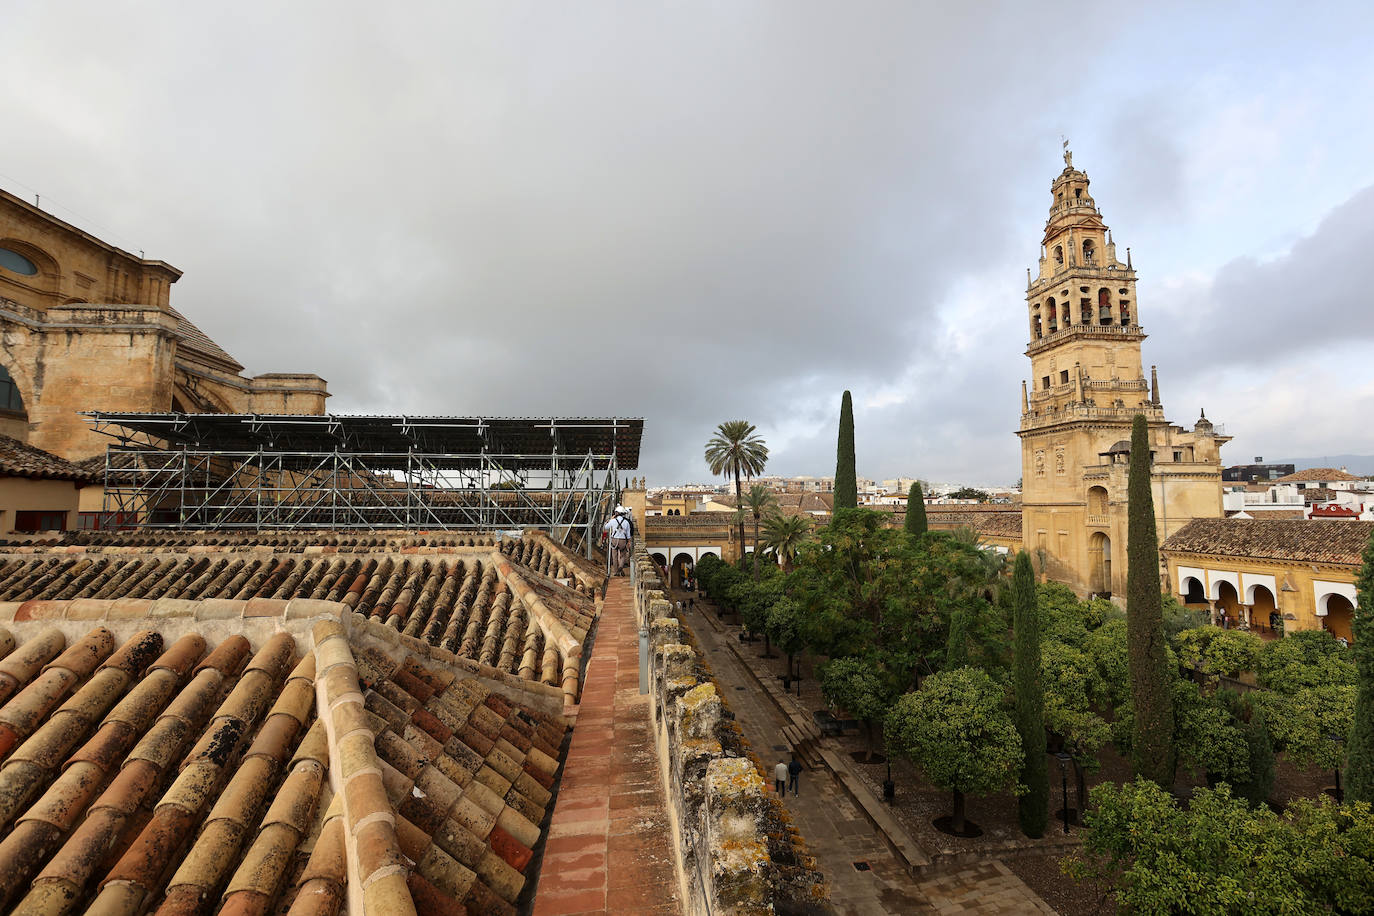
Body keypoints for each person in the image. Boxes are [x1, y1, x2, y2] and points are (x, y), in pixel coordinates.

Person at [602, 506, 634, 576]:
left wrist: (610, 520)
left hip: (614, 540)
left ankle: (616, 571)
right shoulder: (626, 522)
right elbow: (628, 535)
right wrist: (628, 542)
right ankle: (621, 567)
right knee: (623, 555)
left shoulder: (613, 521)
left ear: (616, 513)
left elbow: (605, 527)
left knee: (614, 556)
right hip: (623, 540)